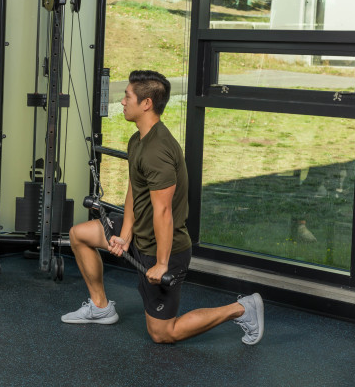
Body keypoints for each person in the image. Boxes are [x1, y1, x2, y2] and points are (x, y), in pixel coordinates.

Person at [61, 70, 265, 345]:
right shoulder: (138, 140)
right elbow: (135, 188)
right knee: (79, 235)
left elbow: (164, 212)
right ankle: (100, 307)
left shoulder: (158, 150)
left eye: (127, 96)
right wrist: (127, 233)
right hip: (140, 233)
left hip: (163, 249)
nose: (122, 102)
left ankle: (242, 309)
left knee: (162, 333)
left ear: (146, 104)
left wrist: (161, 263)